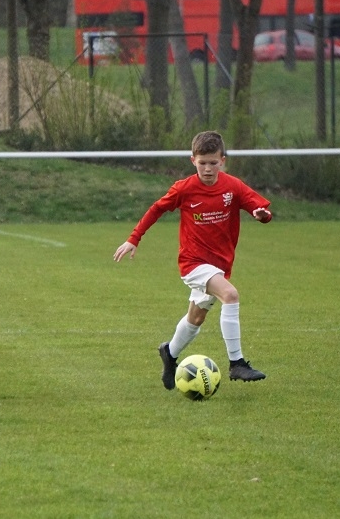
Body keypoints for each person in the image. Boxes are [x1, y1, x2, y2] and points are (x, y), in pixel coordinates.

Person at [113, 130, 273, 388]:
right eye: (202, 163)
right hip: (193, 263)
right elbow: (156, 209)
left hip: (219, 264)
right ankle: (237, 363)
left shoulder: (233, 186)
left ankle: (169, 353)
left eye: (213, 163)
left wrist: (262, 215)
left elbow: (259, 208)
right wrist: (134, 238)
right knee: (230, 295)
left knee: (196, 319)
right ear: (193, 161)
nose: (207, 169)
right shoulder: (184, 188)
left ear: (222, 160)